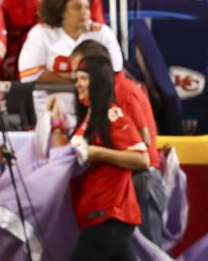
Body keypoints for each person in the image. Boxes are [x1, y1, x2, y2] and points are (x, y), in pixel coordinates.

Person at [19, 57, 189, 261]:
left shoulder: (110, 113)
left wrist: (98, 154)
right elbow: (68, 158)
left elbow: (141, 158)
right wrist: (56, 123)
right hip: (102, 211)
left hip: (109, 210)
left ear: (97, 79)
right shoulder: (90, 119)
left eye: (83, 78)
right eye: (77, 79)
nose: (78, 84)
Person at [69, 39, 164, 245]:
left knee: (151, 260)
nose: (75, 78)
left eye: (81, 71)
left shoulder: (122, 91)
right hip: (122, 187)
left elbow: (144, 142)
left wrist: (99, 153)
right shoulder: (95, 100)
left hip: (140, 182)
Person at [18, 0, 123, 83]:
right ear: (62, 11)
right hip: (48, 98)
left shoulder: (102, 32)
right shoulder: (41, 33)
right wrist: (79, 80)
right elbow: (30, 75)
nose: (84, 12)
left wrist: (58, 76)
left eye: (87, 7)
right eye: (77, 8)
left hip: (93, 99)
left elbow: (114, 68)